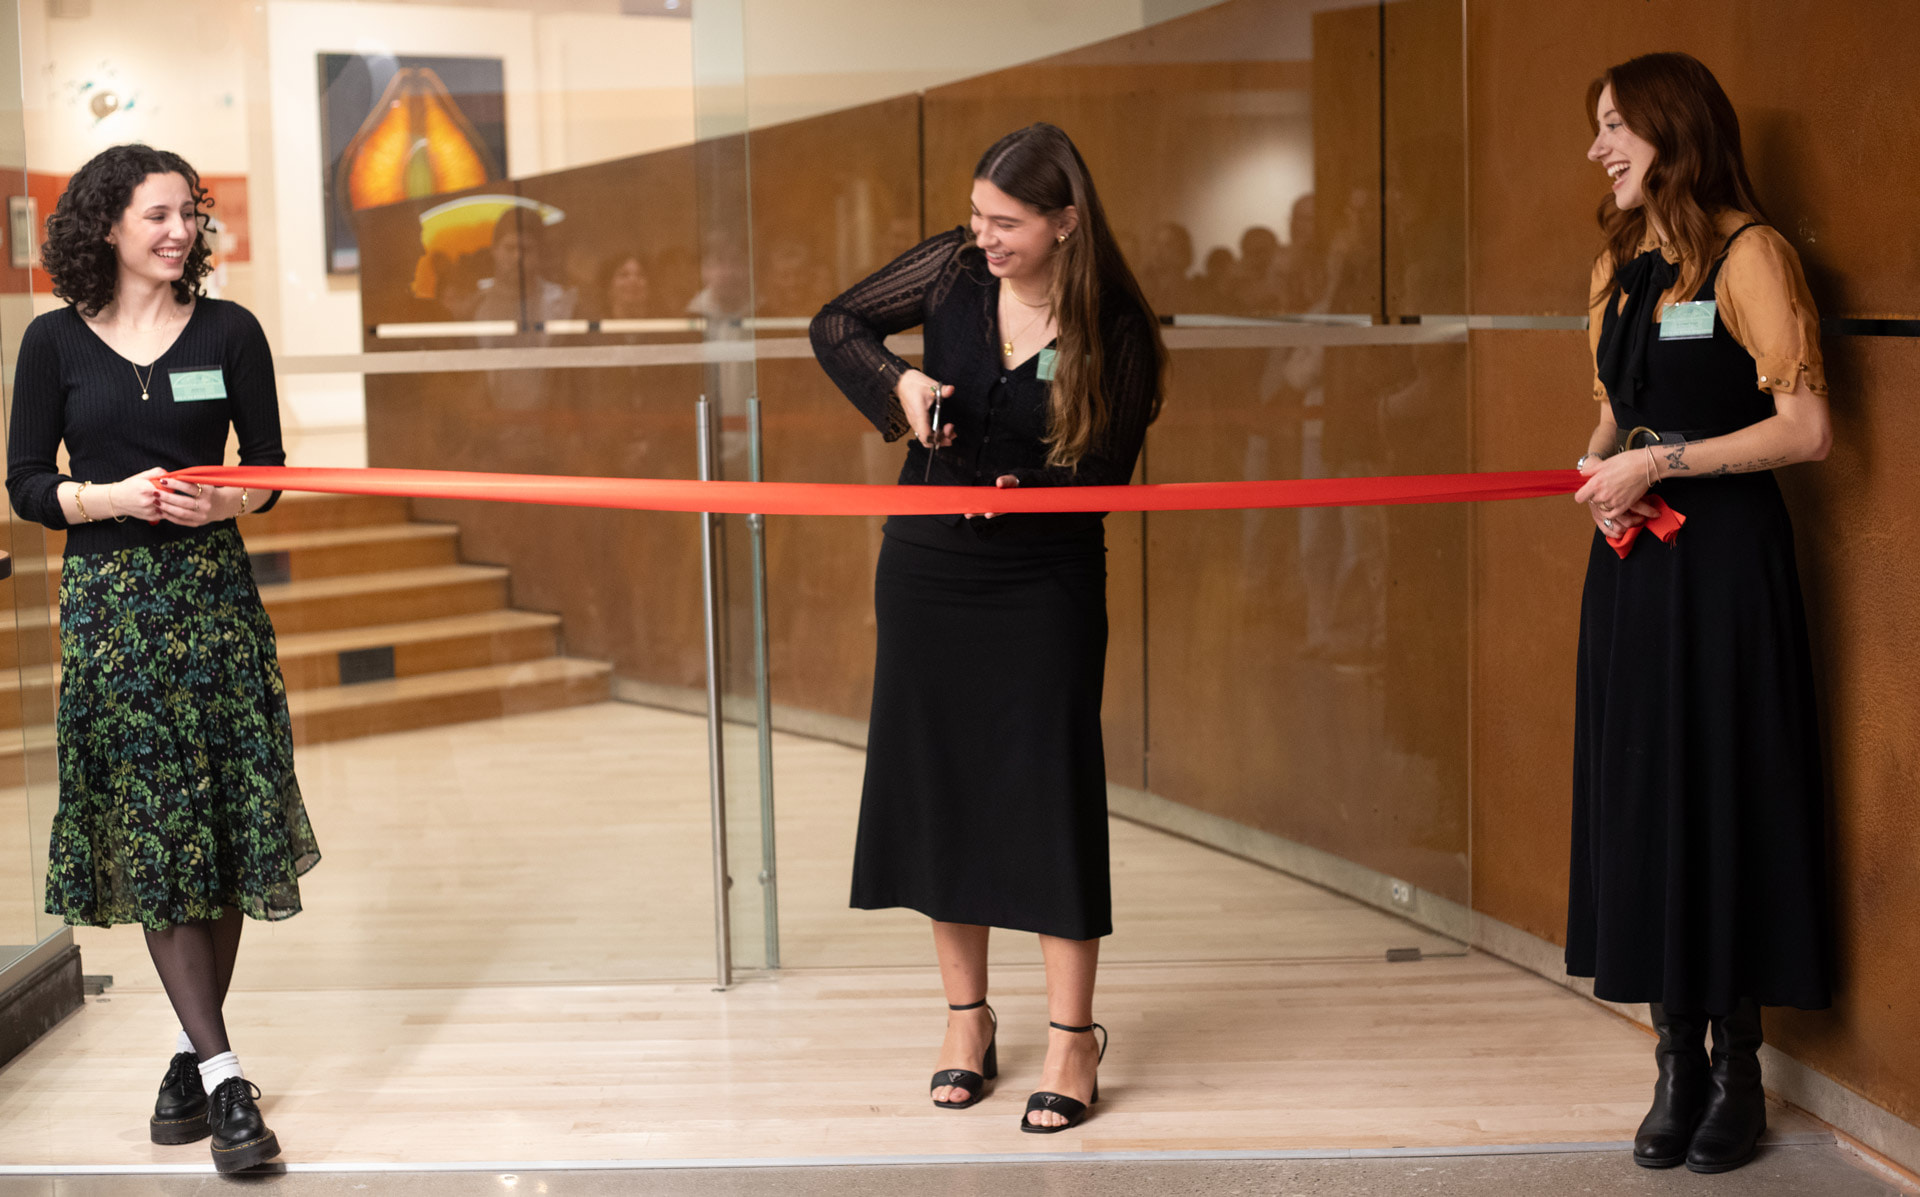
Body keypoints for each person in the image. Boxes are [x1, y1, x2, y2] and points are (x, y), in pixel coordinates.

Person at [810, 123, 1165, 1133]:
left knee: (1045, 788)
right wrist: (901, 384)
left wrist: (1034, 486)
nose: (985, 237)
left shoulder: (1119, 327)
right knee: (943, 784)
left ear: (1065, 223)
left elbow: (1103, 472)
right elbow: (835, 325)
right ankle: (966, 1022)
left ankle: (1071, 1037)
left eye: (1006, 222)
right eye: (977, 216)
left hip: (1039, 578)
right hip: (927, 566)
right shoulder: (954, 273)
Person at [5, 145, 318, 1174]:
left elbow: (267, 469)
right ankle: (228, 1076)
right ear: (106, 226)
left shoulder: (231, 331)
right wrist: (112, 499)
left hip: (214, 604)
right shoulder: (53, 343)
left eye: (189, 213)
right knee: (155, 825)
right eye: (156, 215)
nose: (178, 231)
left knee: (215, 821)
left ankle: (190, 1052)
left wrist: (222, 499)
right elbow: (25, 485)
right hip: (112, 610)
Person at [1568, 53, 1831, 1175]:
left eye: (1616, 125)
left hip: (1725, 566)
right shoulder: (1618, 268)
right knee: (1646, 793)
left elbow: (1808, 430)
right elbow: (1606, 421)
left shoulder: (1751, 255)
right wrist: (1598, 483)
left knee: (1724, 788)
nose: (1599, 149)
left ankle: (1738, 1069)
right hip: (1634, 567)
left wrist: (1669, 462)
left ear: (1673, 131)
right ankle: (1672, 1057)